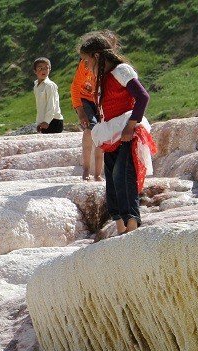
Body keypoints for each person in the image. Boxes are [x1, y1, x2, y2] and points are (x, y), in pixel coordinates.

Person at [80, 32, 156, 235]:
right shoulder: (102, 79)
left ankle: (132, 224)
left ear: (97, 56)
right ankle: (120, 226)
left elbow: (142, 96)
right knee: (112, 180)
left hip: (127, 130)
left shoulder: (121, 71)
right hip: (112, 134)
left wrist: (131, 125)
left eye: (87, 61)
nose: (85, 66)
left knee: (123, 175)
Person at [70, 41, 103, 181]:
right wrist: (81, 111)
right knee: (90, 128)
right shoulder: (83, 66)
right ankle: (86, 170)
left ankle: (98, 173)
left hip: (99, 99)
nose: (84, 62)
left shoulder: (104, 66)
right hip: (84, 99)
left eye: (86, 59)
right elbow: (75, 88)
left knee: (101, 132)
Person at [33, 58, 64, 134]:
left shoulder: (49, 85)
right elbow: (40, 106)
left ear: (49, 69)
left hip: (53, 121)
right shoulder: (36, 86)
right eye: (40, 68)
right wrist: (39, 122)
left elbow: (52, 105)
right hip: (44, 122)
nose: (43, 70)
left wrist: (46, 121)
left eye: (46, 68)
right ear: (35, 71)